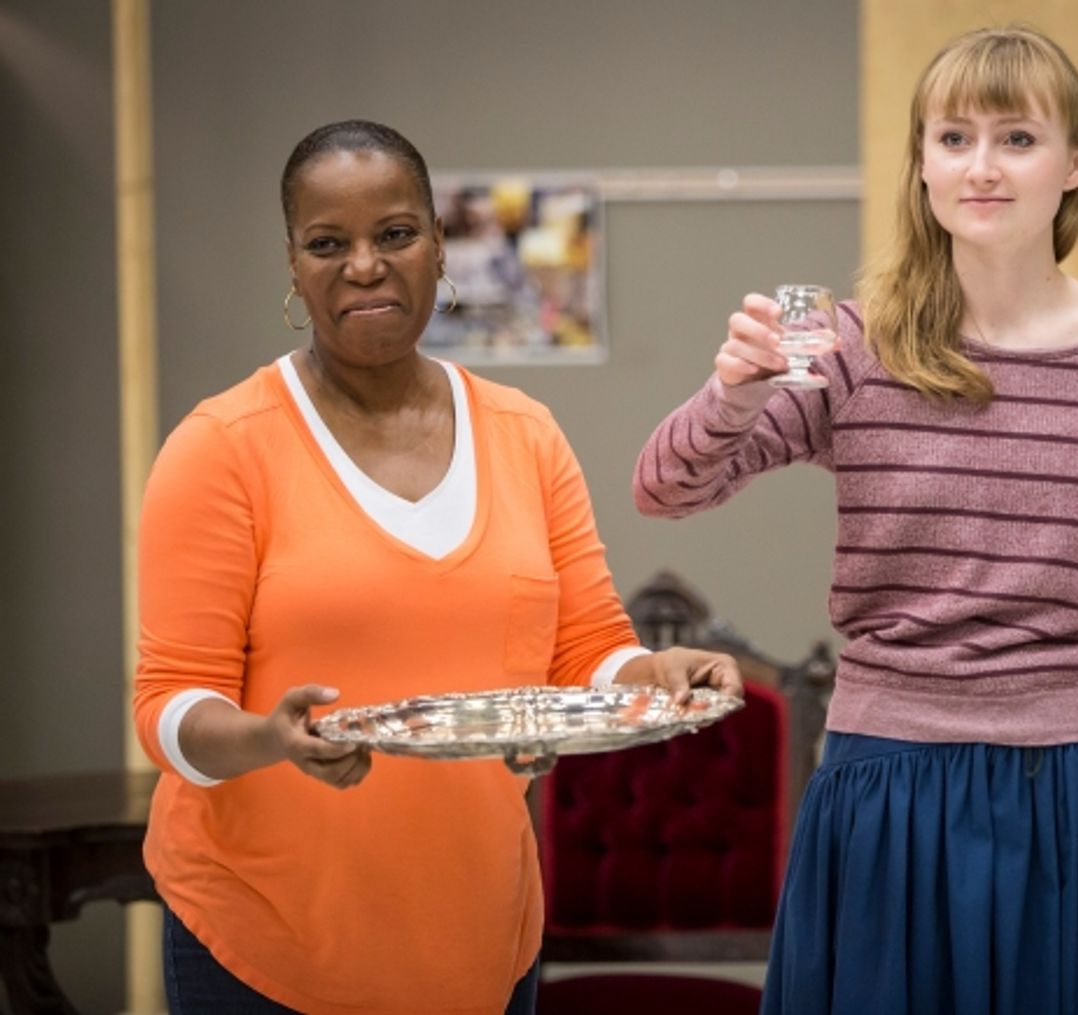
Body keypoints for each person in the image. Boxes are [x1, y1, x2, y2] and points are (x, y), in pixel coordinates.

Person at [633, 26, 1078, 1015]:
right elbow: (665, 488)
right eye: (952, 138)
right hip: (888, 793)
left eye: (1015, 137)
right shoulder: (840, 341)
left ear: (1074, 162)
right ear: (920, 165)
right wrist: (730, 394)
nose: (981, 166)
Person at [133, 119, 741, 1015]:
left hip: (482, 942)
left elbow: (588, 648)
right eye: (327, 243)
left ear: (439, 245)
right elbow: (169, 706)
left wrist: (656, 676)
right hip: (267, 950)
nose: (366, 266)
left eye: (395, 234)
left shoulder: (526, 434)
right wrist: (271, 738)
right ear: (294, 266)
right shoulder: (221, 447)